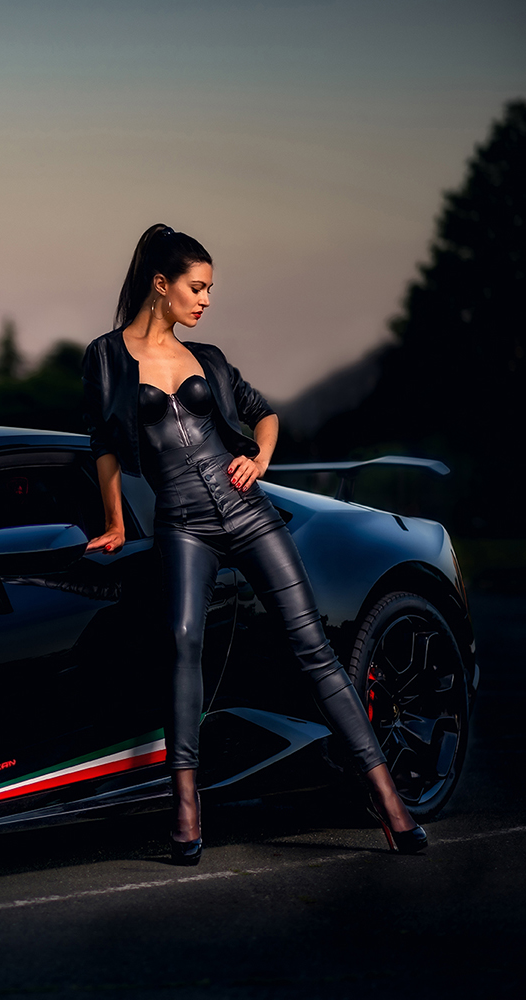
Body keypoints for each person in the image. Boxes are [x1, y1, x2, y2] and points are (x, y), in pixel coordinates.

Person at [81, 223, 424, 864]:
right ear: (162, 285)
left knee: (313, 650)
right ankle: (186, 809)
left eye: (210, 288)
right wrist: (118, 521)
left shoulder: (207, 358)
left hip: (247, 512)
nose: (206, 299)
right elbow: (103, 444)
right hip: (182, 521)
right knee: (183, 646)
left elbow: (263, 411)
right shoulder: (105, 357)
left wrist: (259, 459)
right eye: (198, 286)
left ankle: (387, 798)